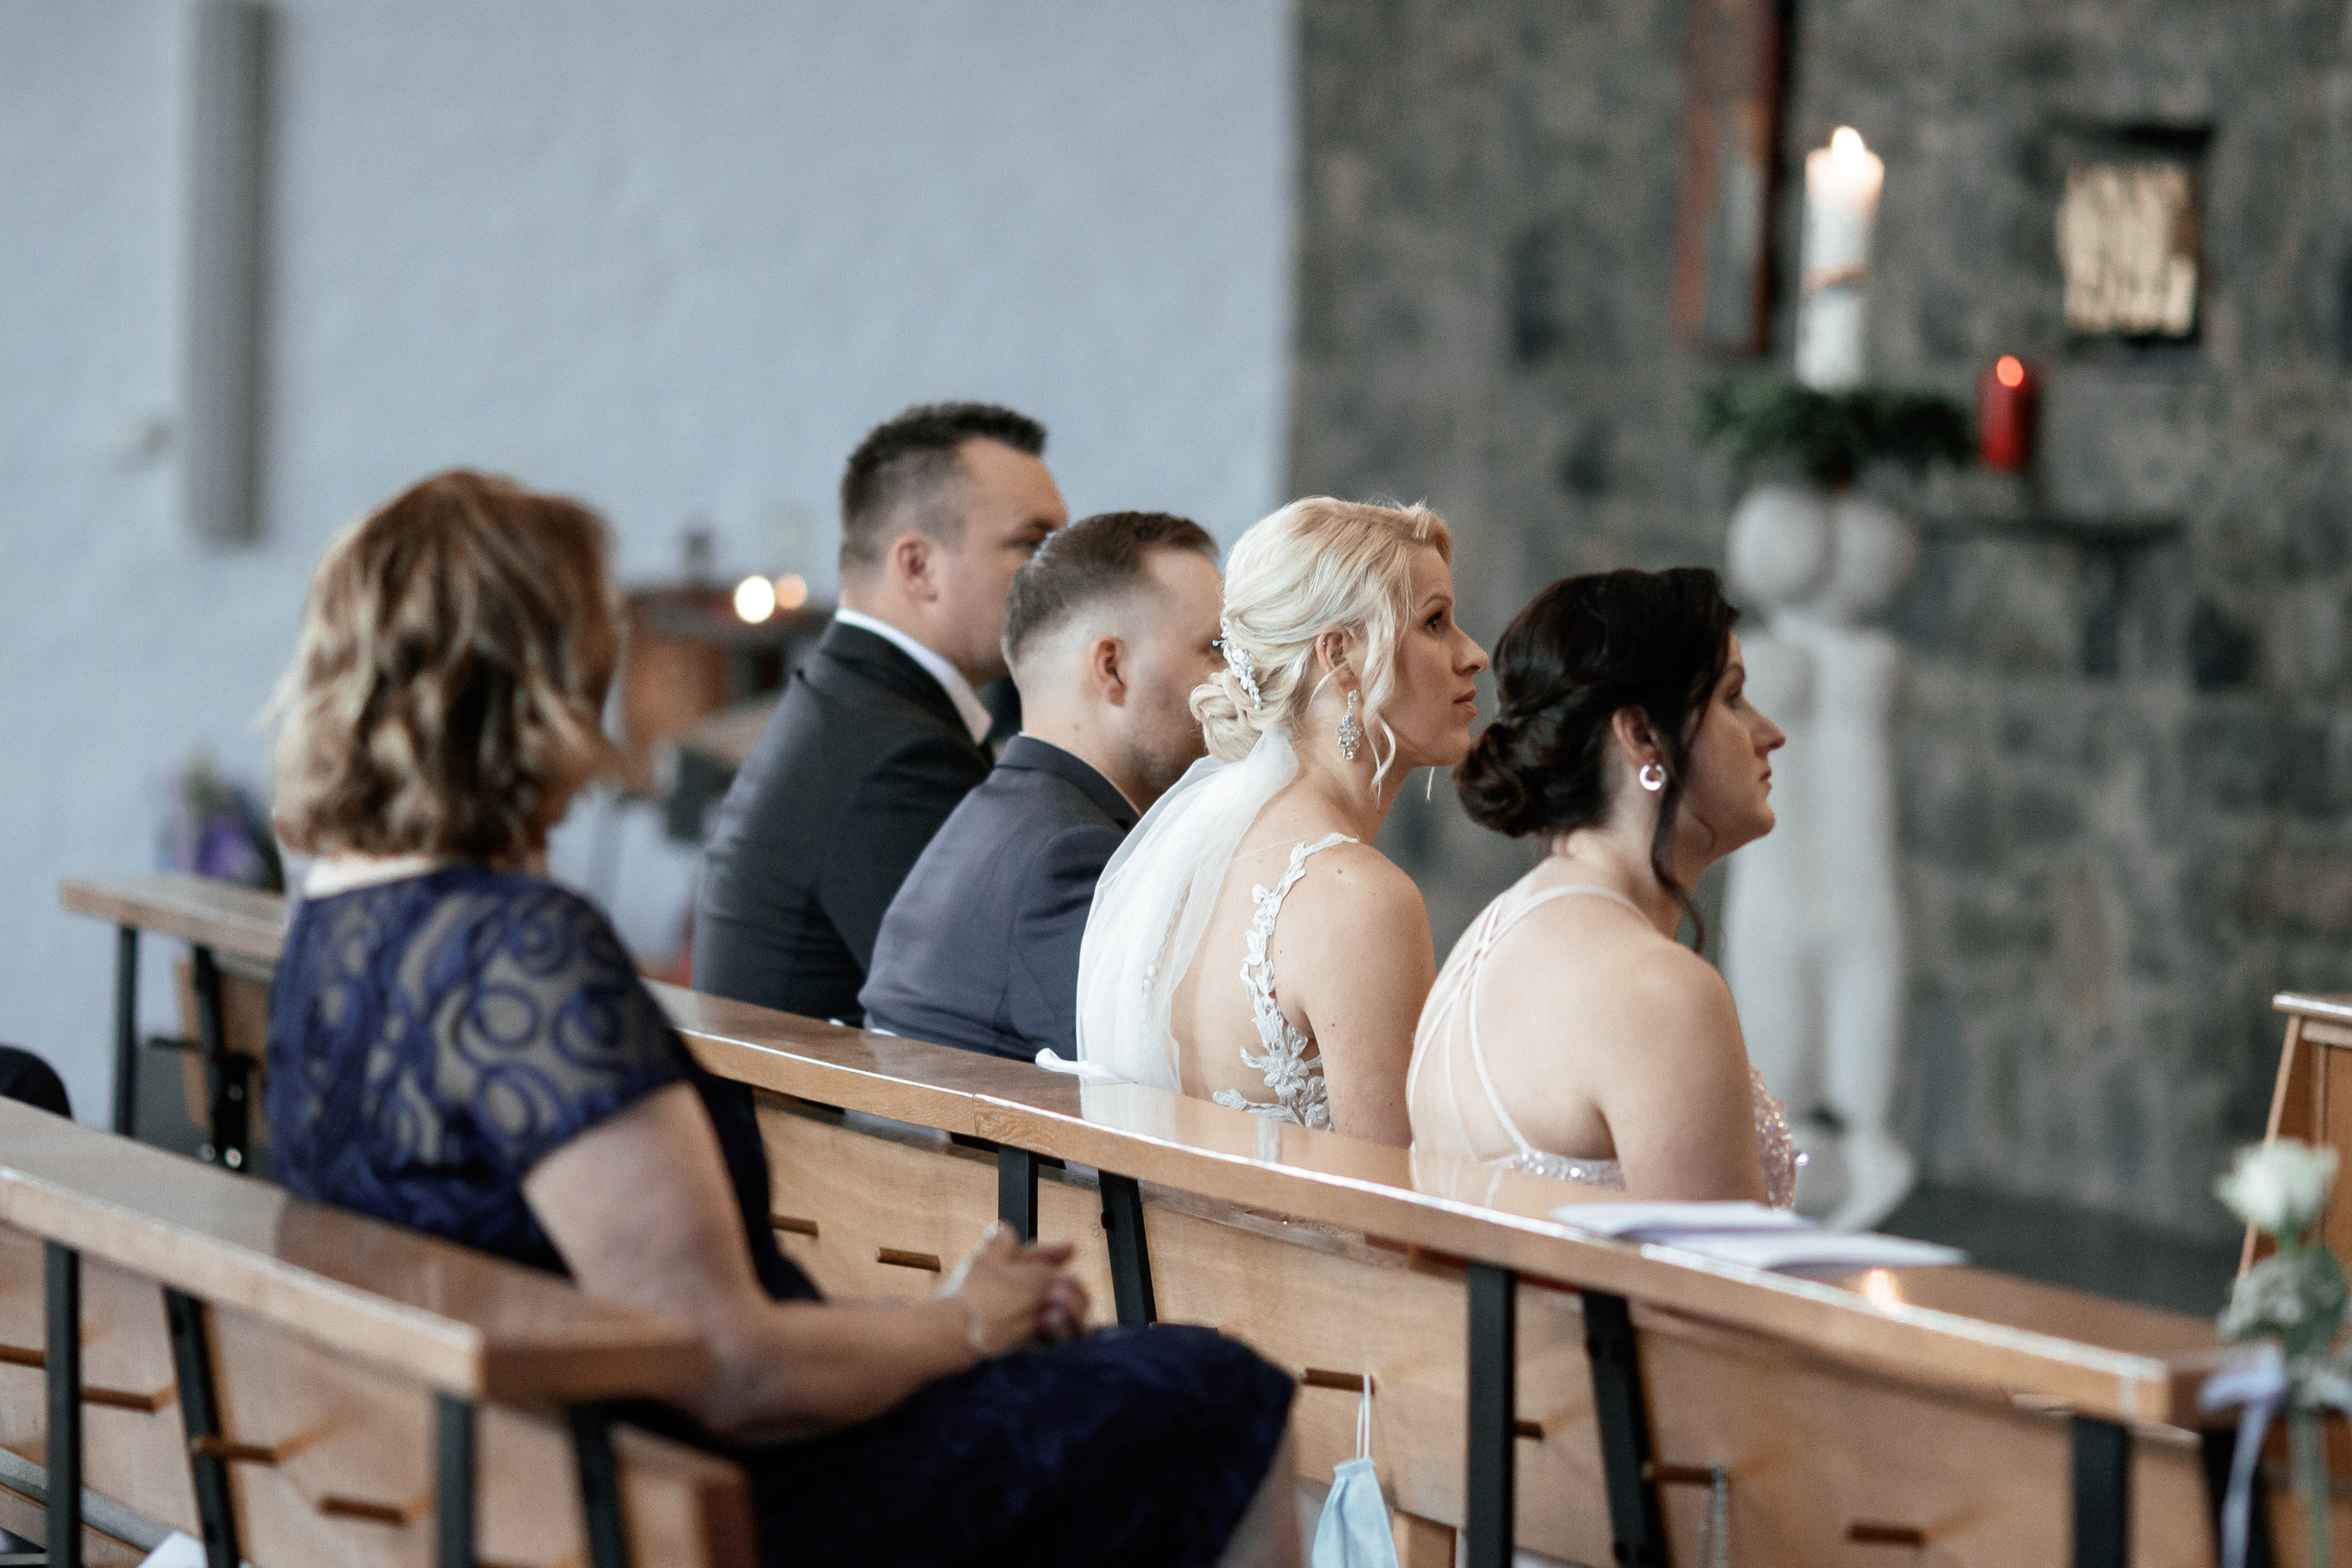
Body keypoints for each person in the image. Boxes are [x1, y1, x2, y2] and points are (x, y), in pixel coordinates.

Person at [262, 470, 1297, 1568]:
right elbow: (727, 1366)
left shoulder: (333, 936)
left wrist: (932, 1320)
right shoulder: (518, 953)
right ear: (541, 679)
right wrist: (966, 1326)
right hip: (707, 1502)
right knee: (1213, 1388)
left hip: (513, 1471)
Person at [1072, 498, 1488, 1145]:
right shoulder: (1359, 898)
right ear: (1340, 656)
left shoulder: (1194, 851)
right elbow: (1393, 1221)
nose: (1474, 655)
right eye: (1435, 622)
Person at [1406, 568, 1799, 1204]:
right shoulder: (1659, 992)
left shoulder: (1486, 936)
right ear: (1642, 734)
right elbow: (1705, 1296)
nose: (1769, 732)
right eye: (1731, 698)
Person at [695, 402, 1069, 1024]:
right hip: (799, 1122)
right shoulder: (896, 752)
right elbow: (999, 1016)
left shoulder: (854, 703)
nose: (1063, 581)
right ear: (918, 566)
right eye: (1032, 545)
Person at [861, 511, 1224, 1061]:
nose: (1240, 682)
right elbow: (1166, 1089)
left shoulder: (1002, 814)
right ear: (1112, 668)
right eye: (1215, 649)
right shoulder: (1072, 857)